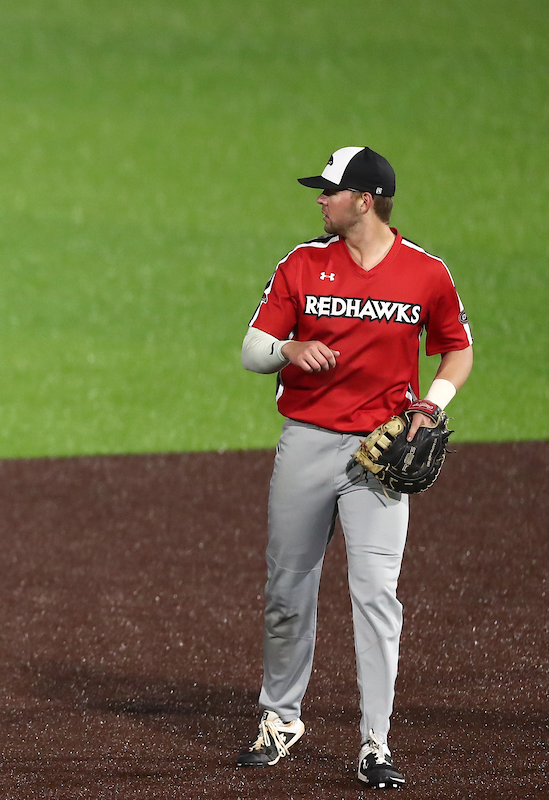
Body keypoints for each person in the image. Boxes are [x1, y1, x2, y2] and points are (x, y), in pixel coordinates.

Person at [235, 147, 473, 789]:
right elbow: (252, 351)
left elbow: (457, 348)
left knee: (376, 597)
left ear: (364, 200)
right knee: (287, 592)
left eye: (330, 191)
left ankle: (375, 742)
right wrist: (289, 347)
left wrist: (431, 405)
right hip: (307, 445)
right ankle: (280, 719)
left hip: (379, 456)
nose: (319, 199)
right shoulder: (303, 263)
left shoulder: (426, 273)